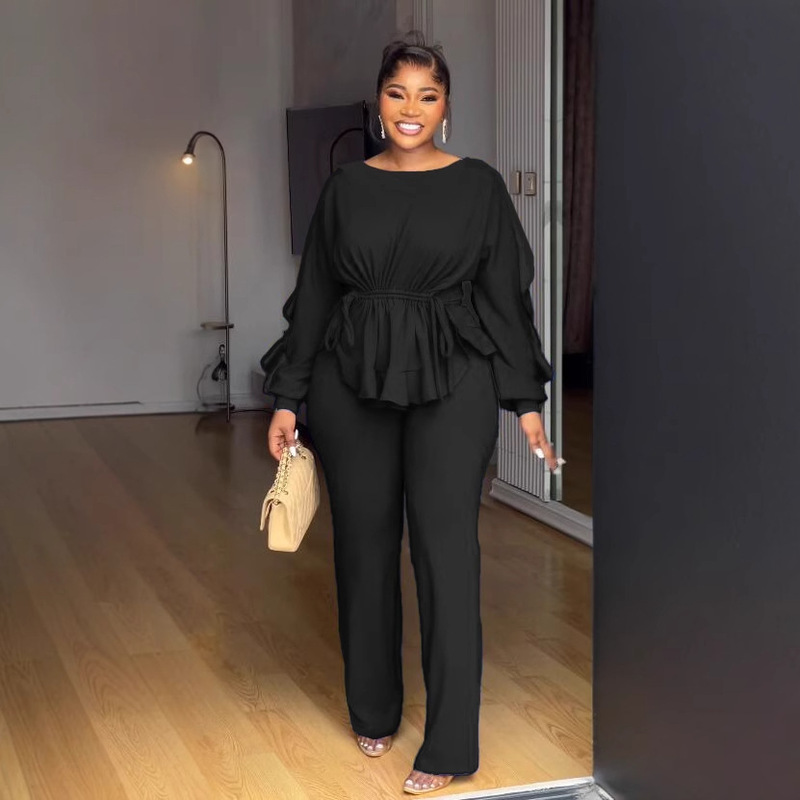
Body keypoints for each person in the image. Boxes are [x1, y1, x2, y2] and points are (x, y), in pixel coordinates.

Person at [266, 30, 560, 796]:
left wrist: (526, 400)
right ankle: (373, 709)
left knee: (446, 555)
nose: (411, 108)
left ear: (445, 107)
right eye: (398, 93)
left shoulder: (479, 187)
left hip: (455, 383)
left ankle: (452, 743)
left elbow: (504, 298)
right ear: (378, 102)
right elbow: (315, 298)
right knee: (363, 550)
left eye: (427, 96)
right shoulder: (345, 189)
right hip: (349, 384)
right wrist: (289, 397)